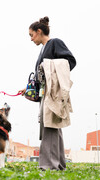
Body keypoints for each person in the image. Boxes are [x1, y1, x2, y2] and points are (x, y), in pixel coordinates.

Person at [18, 16, 76, 170]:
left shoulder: (55, 43)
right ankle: (58, 164)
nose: (31, 39)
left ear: (39, 31)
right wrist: (28, 88)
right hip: (46, 92)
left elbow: (70, 61)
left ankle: (48, 165)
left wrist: (50, 68)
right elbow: (41, 74)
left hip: (53, 93)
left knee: (50, 125)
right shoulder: (43, 49)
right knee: (52, 126)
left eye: (31, 35)